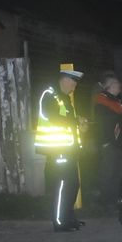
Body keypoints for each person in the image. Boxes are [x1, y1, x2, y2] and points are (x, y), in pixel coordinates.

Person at [34, 63, 85, 231]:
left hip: (68, 150)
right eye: (73, 83)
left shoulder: (64, 98)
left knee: (73, 185)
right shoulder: (50, 95)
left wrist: (79, 125)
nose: (74, 87)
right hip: (58, 151)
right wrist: (75, 121)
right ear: (64, 80)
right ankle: (60, 222)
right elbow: (54, 118)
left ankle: (68, 218)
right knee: (63, 187)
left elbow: (67, 122)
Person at [92, 70, 122, 213]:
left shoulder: (114, 101)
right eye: (116, 83)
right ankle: (103, 202)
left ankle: (111, 202)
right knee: (108, 174)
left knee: (115, 174)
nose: (119, 85)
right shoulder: (103, 101)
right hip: (112, 146)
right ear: (109, 86)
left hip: (118, 145)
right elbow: (103, 124)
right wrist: (106, 142)